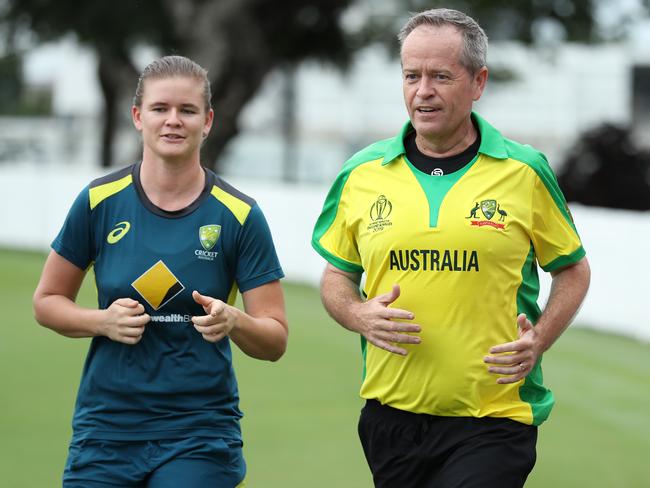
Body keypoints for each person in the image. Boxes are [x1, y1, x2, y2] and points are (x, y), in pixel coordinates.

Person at [312, 8, 590, 488]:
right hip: (391, 418)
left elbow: (573, 270)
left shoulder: (523, 171)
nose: (423, 91)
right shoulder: (361, 173)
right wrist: (357, 315)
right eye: (411, 76)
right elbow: (337, 276)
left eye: (441, 76)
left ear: (478, 82)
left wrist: (538, 339)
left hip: (495, 417)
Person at [33, 55, 288, 488]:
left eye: (187, 110)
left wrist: (235, 320)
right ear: (138, 116)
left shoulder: (239, 215)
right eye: (160, 108)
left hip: (199, 434)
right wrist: (102, 322)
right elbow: (46, 302)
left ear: (207, 121)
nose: (174, 121)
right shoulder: (99, 201)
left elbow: (275, 338)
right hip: (106, 431)